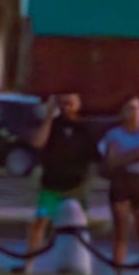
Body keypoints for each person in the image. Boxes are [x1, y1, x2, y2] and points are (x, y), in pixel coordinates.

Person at [97, 93, 139, 275]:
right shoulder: (113, 134)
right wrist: (133, 156)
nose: (135, 112)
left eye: (138, 108)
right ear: (122, 113)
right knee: (121, 233)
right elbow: (109, 161)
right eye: (130, 108)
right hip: (120, 184)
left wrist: (122, 159)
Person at [26, 92, 93, 261]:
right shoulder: (51, 126)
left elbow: (95, 157)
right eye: (62, 104)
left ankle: (78, 261)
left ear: (78, 105)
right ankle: (29, 264)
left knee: (78, 225)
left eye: (70, 103)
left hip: (76, 187)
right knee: (40, 223)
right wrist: (49, 116)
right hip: (51, 187)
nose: (66, 107)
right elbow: (38, 143)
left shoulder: (85, 128)